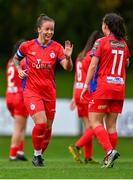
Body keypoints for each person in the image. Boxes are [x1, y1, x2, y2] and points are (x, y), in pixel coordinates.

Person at [13, 14, 73, 167]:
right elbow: (16, 59)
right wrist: (19, 68)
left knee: (47, 129)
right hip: (32, 92)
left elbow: (67, 68)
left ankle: (39, 154)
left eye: (52, 29)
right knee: (41, 123)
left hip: (49, 93)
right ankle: (36, 155)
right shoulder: (27, 46)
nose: (49, 32)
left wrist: (68, 57)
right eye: (46, 29)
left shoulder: (57, 47)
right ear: (38, 29)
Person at [79, 13, 130, 168]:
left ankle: (109, 152)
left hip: (104, 87)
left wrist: (86, 85)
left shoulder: (101, 42)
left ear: (106, 26)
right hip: (119, 88)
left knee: (94, 121)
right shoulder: (124, 44)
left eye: (103, 24)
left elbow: (93, 65)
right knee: (112, 125)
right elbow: (126, 63)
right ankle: (110, 158)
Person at [69, 31, 100, 164]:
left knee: (88, 127)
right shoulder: (91, 57)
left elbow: (76, 78)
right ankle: (76, 147)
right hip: (86, 92)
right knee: (94, 126)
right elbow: (93, 76)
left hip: (78, 92)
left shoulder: (80, 56)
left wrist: (73, 97)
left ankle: (88, 157)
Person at [6, 40, 28, 161]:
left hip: (10, 96)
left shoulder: (10, 61)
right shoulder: (23, 62)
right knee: (19, 127)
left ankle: (20, 151)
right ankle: (13, 154)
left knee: (22, 125)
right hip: (20, 97)